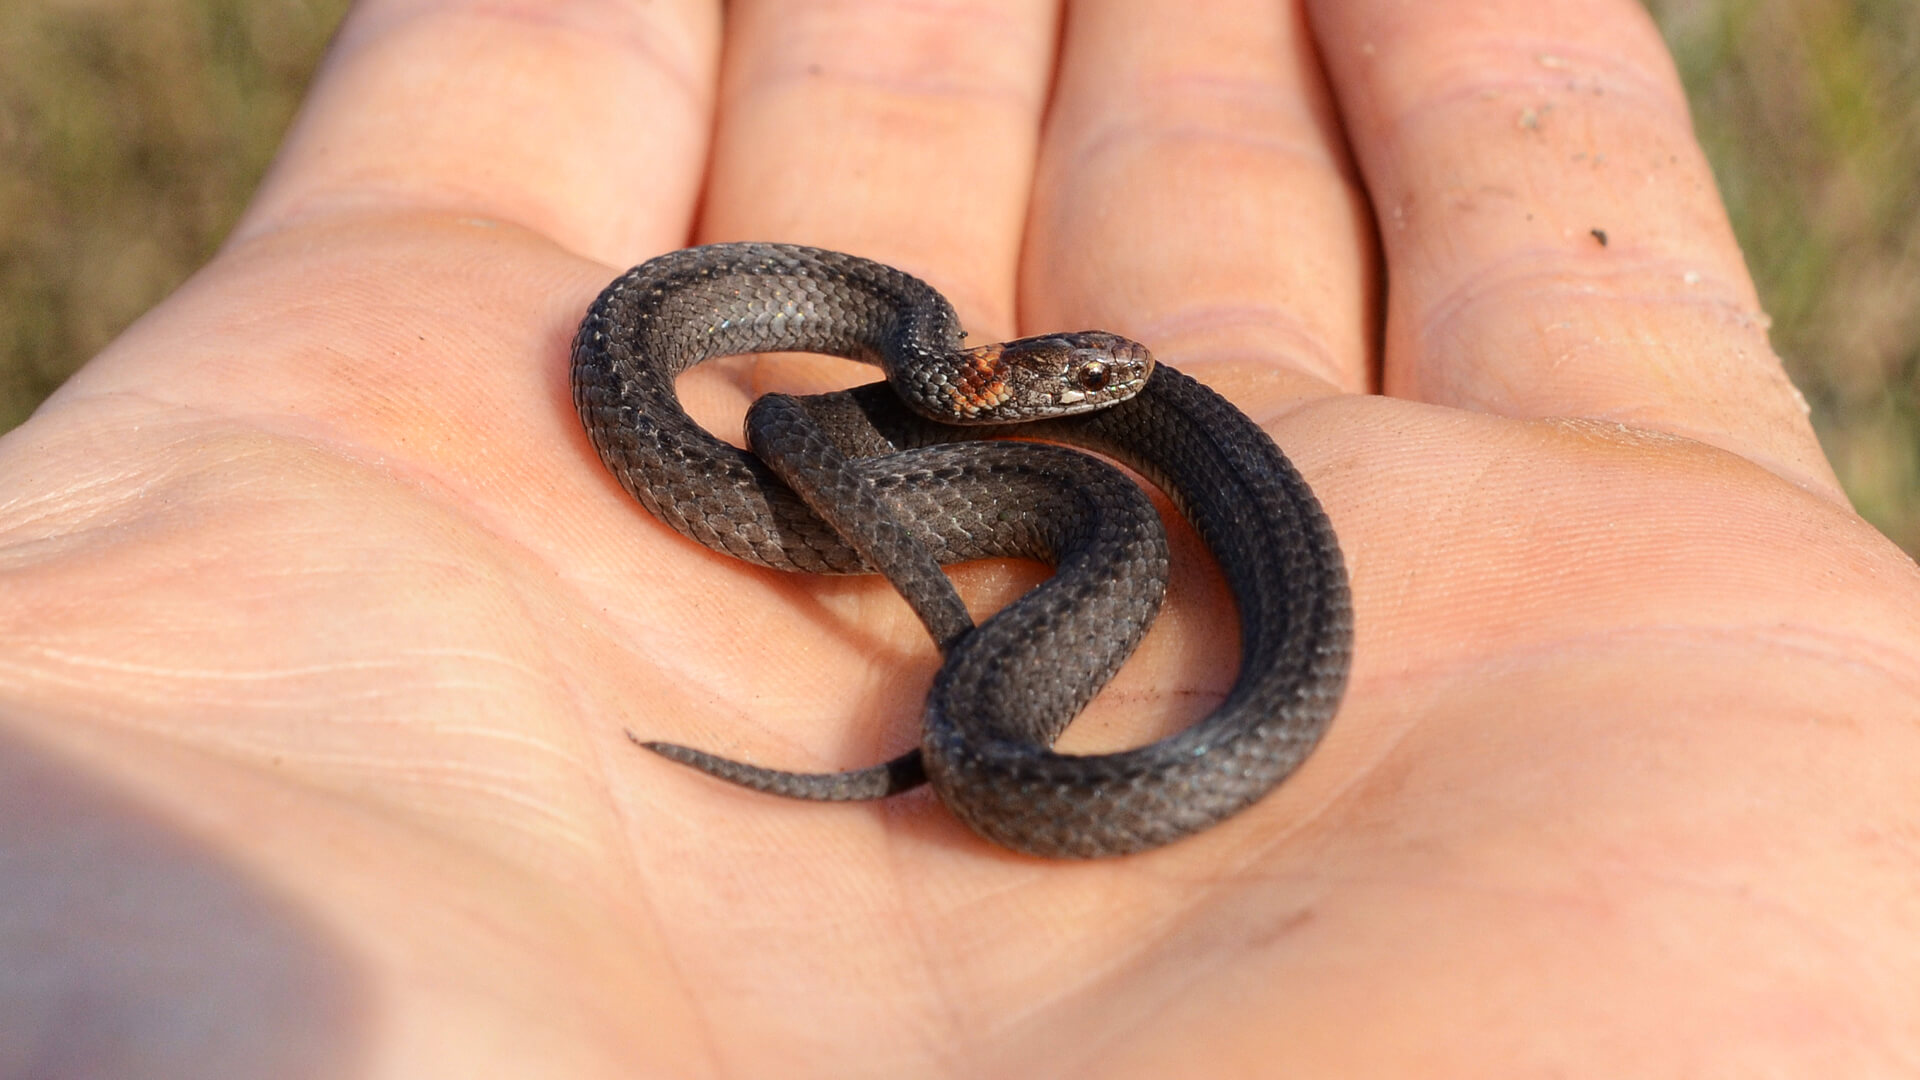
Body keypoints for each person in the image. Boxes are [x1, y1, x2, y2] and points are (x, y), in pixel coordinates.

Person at [4, 0, 1915, 1074]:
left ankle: (965, 717)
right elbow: (809, 404)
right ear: (1014, 383)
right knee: (924, 475)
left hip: (989, 565)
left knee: (1094, 521)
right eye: (1086, 383)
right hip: (887, 472)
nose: (1115, 391)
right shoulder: (902, 355)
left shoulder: (1063, 450)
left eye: (1105, 388)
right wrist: (850, 488)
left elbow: (952, 414)